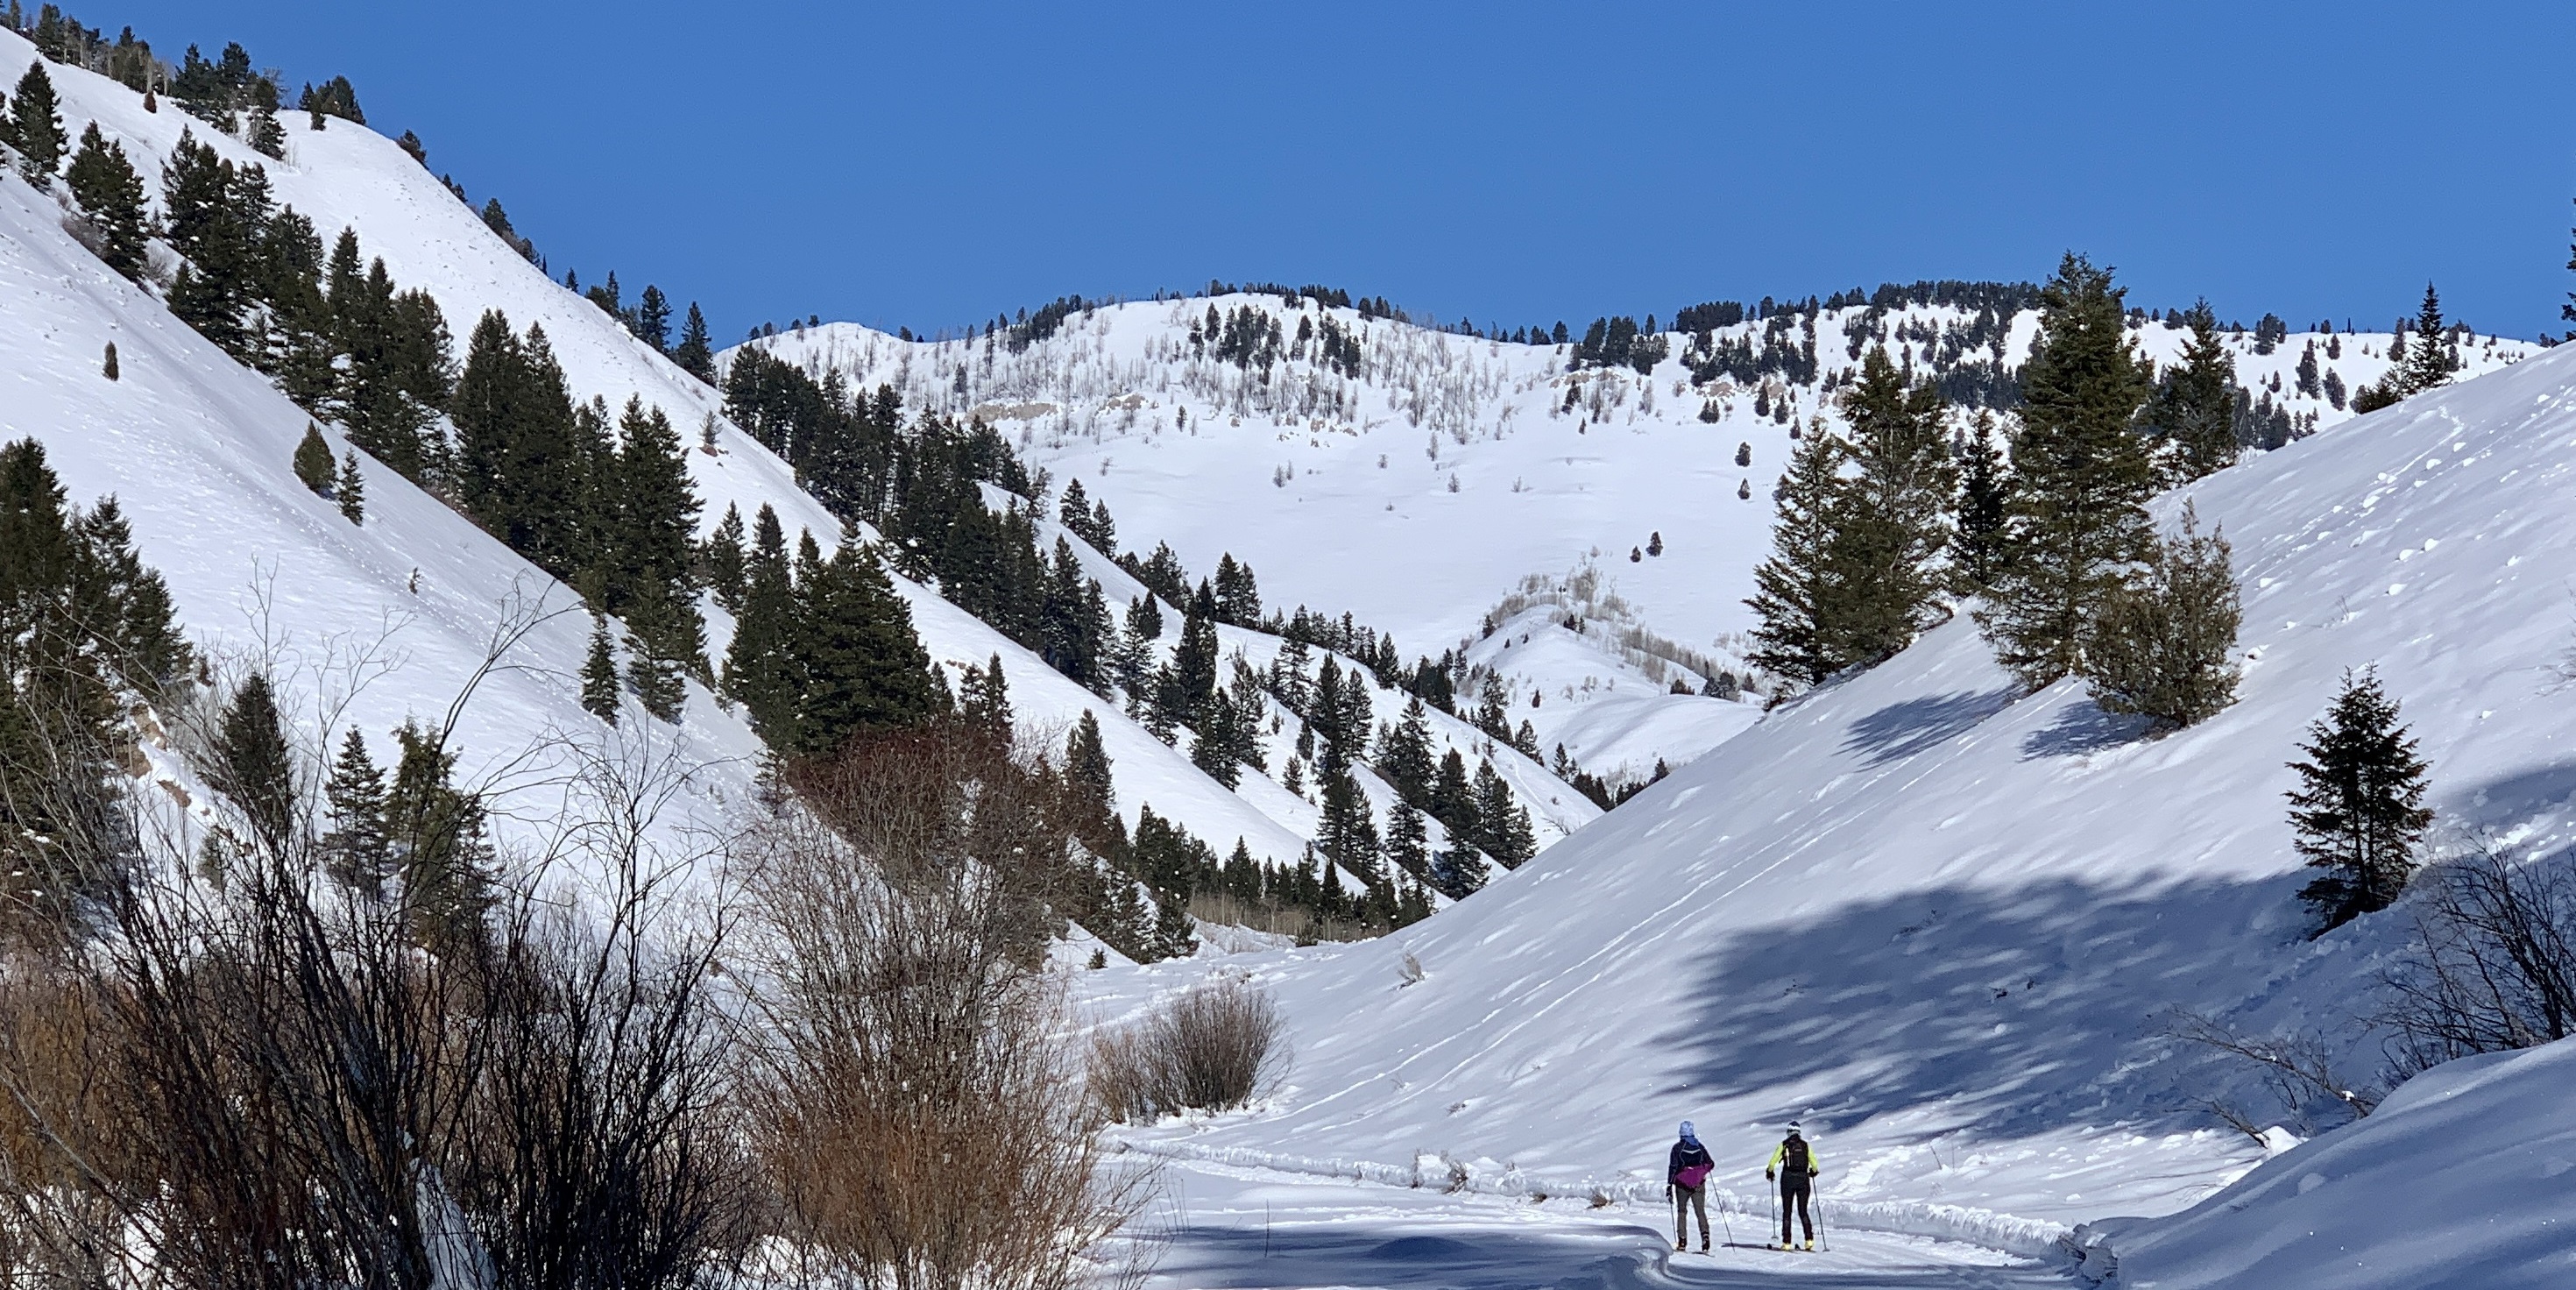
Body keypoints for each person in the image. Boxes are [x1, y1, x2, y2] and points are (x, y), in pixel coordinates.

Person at [1764, 1121, 1821, 1250]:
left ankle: (1787, 1242)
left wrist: (1770, 1172)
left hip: (1788, 1179)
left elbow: (1773, 1162)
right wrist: (1812, 1172)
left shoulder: (1784, 1145)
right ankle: (1809, 1240)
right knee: (1803, 1211)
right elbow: (1814, 1164)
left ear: (1789, 1132)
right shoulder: (1806, 1146)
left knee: (1787, 1211)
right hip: (1803, 1179)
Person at [1666, 1120, 1715, 1252]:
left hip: (1682, 1184)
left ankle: (1682, 1240)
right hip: (1699, 1183)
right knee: (1700, 1212)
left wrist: (1670, 1184)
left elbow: (1673, 1166)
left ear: (1681, 1133)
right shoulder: (1699, 1146)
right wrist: (1700, 1172)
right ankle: (1705, 1236)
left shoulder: (1677, 1148)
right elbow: (1710, 1163)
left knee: (1682, 1212)